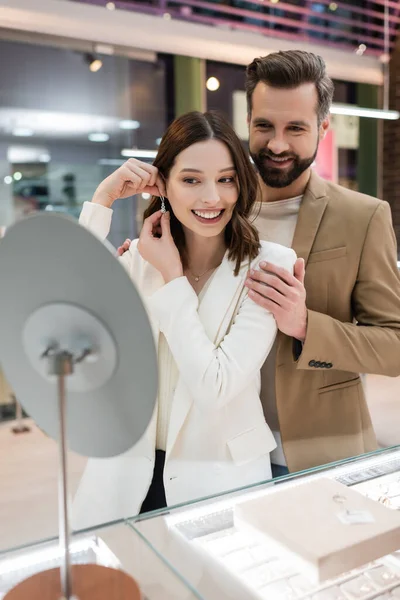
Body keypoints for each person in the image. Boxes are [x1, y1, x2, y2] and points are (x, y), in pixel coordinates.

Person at [118, 51, 400, 479]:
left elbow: (395, 347)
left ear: (324, 128)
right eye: (264, 125)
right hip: (215, 454)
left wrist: (307, 325)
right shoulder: (213, 208)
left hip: (319, 451)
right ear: (247, 120)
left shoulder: (363, 217)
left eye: (296, 128)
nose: (278, 144)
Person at [72, 110, 296, 529]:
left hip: (218, 478)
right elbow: (67, 312)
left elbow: (216, 386)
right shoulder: (139, 258)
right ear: (163, 186)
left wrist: (174, 279)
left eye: (226, 179)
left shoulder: (269, 266)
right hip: (124, 477)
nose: (212, 197)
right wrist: (101, 200)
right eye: (191, 180)